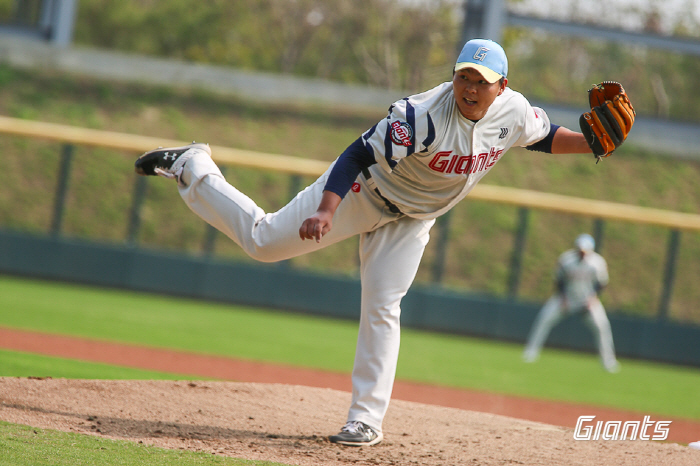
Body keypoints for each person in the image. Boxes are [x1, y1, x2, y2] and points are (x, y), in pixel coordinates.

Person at [135, 38, 601, 446]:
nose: (470, 89)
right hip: (364, 191)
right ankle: (193, 167)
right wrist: (327, 209)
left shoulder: (512, 111)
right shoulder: (420, 117)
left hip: (413, 219)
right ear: (454, 77)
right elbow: (357, 153)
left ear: (502, 85)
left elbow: (540, 136)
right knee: (262, 242)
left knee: (383, 304)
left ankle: (364, 420)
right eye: (464, 77)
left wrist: (593, 143)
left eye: (481, 81)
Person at [522, 233, 619, 373]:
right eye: (580, 250)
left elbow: (602, 283)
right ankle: (531, 352)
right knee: (544, 319)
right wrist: (563, 297)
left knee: (602, 326)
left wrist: (593, 299)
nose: (582, 253)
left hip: (587, 301)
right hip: (566, 298)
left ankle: (608, 361)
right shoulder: (566, 259)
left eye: (585, 251)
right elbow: (558, 280)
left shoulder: (597, 262)